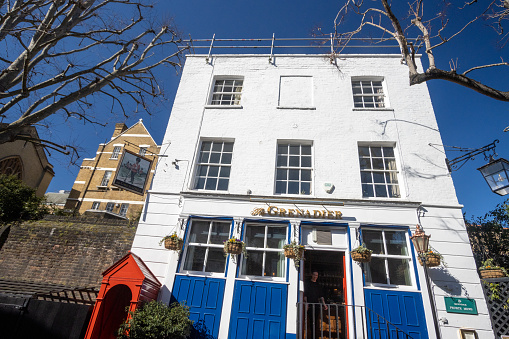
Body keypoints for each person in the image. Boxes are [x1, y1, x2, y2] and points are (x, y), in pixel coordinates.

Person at [304, 271, 328, 339]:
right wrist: (306, 304)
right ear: (312, 275)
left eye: (316, 275)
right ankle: (311, 336)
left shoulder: (318, 285)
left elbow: (321, 296)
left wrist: (324, 304)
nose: (315, 276)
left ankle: (314, 336)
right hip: (310, 305)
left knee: (316, 321)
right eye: (314, 275)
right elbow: (305, 295)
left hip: (316, 305)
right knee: (311, 321)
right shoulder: (308, 284)